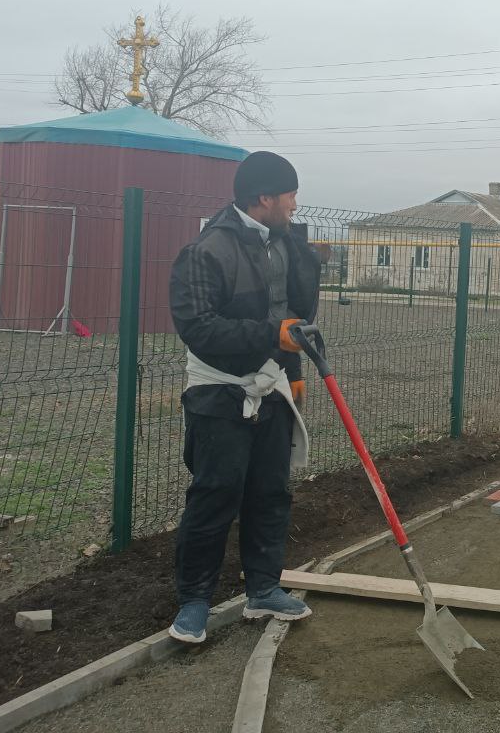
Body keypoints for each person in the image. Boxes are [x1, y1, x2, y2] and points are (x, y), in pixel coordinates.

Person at [166, 151, 324, 644]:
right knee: (216, 495)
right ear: (264, 198)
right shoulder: (206, 251)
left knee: (270, 492)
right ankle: (194, 601)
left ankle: (264, 589)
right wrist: (270, 336)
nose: (295, 205)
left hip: (273, 385)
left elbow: (290, 315)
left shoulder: (286, 246)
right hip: (219, 391)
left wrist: (293, 371)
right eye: (290, 195)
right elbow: (199, 329)